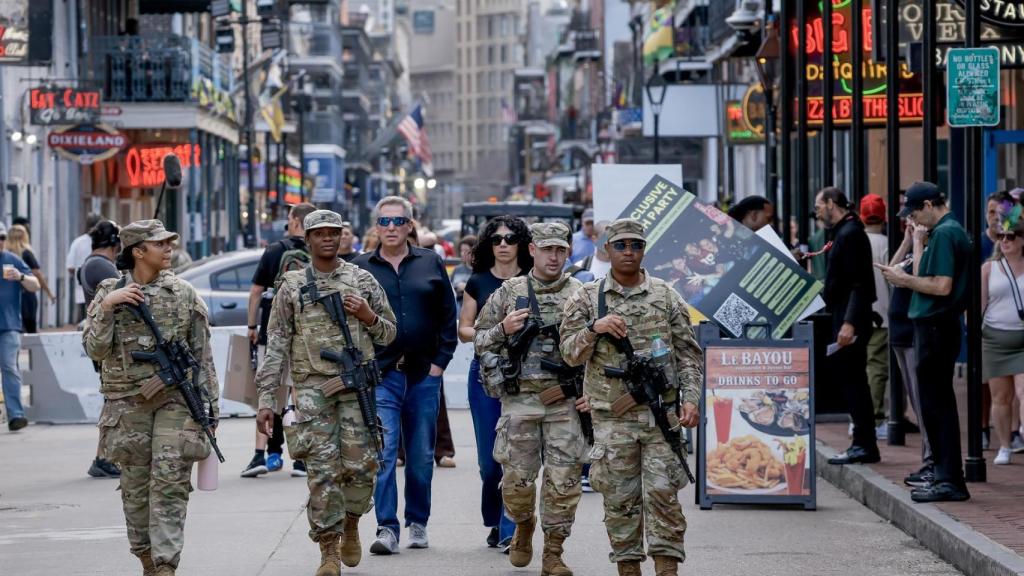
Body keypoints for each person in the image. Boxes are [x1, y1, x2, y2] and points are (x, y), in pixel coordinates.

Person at [256, 209, 396, 576]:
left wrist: (367, 316)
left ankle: (351, 521)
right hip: (312, 390)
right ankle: (329, 549)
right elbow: (276, 345)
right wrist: (267, 400)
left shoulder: (362, 280)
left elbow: (390, 333)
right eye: (320, 233)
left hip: (357, 389)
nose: (329, 238)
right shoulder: (291, 286)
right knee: (321, 472)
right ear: (308, 239)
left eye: (334, 232)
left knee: (362, 468)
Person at [559, 218, 701, 576]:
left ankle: (667, 569)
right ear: (607, 249)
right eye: (621, 245)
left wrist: (691, 399)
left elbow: (688, 353)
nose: (628, 252)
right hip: (612, 419)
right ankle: (628, 568)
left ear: (644, 250)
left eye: (635, 245)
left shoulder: (666, 296)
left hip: (660, 416)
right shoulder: (588, 298)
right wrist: (594, 329)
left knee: (664, 496)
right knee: (621, 501)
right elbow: (570, 354)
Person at [83, 219, 219, 576]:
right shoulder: (109, 292)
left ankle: (165, 564)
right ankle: (146, 557)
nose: (168, 249)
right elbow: (95, 350)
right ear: (138, 251)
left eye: (169, 243)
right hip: (126, 406)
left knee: (171, 483)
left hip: (175, 401)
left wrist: (211, 410)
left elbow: (202, 356)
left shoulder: (184, 293)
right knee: (135, 489)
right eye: (160, 244)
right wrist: (107, 306)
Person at [474, 222, 586, 575]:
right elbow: (479, 340)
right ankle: (523, 523)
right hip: (520, 402)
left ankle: (553, 553)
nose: (554, 257)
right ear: (533, 250)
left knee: (564, 483)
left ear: (568, 252)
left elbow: (599, 352)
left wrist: (591, 394)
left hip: (564, 402)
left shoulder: (582, 294)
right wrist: (502, 329)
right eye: (547, 249)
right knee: (516, 483)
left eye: (560, 250)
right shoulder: (510, 292)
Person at [353, 196, 458, 555]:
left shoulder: (430, 262)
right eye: (384, 221)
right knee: (383, 454)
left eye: (398, 221)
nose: (391, 228)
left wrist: (440, 362)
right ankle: (387, 528)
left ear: (410, 225)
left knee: (420, 456)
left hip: (424, 374)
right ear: (376, 227)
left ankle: (417, 522)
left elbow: (448, 315)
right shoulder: (360, 268)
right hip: (382, 376)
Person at [878, 181, 970, 503]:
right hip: (935, 326)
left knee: (936, 406)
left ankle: (948, 478)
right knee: (934, 405)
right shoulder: (945, 232)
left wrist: (904, 280)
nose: (914, 220)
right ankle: (944, 475)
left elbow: (942, 285)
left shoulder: (945, 233)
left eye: (915, 213)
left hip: (936, 326)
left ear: (929, 205)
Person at [459, 215, 532, 550]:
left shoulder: (532, 280)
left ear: (522, 244)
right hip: (485, 375)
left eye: (511, 238)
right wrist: (498, 330)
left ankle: (509, 528)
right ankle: (494, 520)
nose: (503, 244)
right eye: (497, 239)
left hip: (526, 376)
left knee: (515, 458)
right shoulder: (478, 281)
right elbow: (464, 330)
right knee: (490, 463)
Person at [242, 202, 318, 478]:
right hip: (306, 333)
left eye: (289, 218)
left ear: (296, 221)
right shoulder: (315, 250)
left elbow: (255, 291)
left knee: (270, 391)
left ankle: (259, 455)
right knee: (299, 394)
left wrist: (252, 325)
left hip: (273, 331)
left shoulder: (275, 250)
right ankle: (301, 460)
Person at [815, 188, 880, 466]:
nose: (817, 212)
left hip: (850, 320)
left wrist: (850, 323)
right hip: (844, 316)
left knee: (855, 383)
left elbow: (860, 284)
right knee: (852, 382)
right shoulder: (844, 232)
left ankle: (864, 444)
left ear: (831, 203)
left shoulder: (851, 233)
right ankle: (863, 443)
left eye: (819, 206)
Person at [888, 207, 934, 488]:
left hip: (915, 334)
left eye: (914, 220)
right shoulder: (911, 251)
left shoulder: (927, 253)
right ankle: (928, 459)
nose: (911, 223)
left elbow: (918, 278)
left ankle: (932, 461)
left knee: (924, 402)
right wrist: (907, 241)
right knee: (917, 403)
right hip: (900, 334)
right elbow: (889, 272)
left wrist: (917, 241)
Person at [78, 220, 123, 478]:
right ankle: (103, 457)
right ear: (114, 243)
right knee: (113, 400)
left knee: (112, 399)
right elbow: (123, 290)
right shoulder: (101, 265)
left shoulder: (90, 263)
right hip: (106, 340)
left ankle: (105, 456)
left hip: (100, 338)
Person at [981, 204, 1024, 465]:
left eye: (1011, 236)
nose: (1005, 241)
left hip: (1022, 338)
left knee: (1022, 390)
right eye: (1001, 236)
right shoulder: (989, 268)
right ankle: (1005, 446)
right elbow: (979, 306)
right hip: (995, 339)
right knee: (1000, 397)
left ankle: (1022, 432)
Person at [0, 223, 40, 432]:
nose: (0, 242)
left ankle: (16, 414)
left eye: (2, 238)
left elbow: (35, 285)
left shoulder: (13, 260)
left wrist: (21, 277)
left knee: (9, 367)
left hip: (9, 325)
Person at [860, 194, 891, 439]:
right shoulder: (887, 244)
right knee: (877, 368)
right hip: (882, 312)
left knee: (861, 367)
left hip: (856, 314)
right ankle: (875, 418)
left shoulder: (854, 240)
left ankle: (858, 419)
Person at [7, 224, 53, 333]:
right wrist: (49, 292)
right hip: (27, 295)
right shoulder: (27, 253)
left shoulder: (7, 255)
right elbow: (37, 274)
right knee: (31, 330)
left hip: (11, 297)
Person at [67, 213, 103, 323]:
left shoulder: (78, 242)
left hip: (82, 288)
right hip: (102, 288)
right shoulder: (104, 242)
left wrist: (81, 274)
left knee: (86, 319)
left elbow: (70, 267)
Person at [451, 235, 477, 308]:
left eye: (466, 250)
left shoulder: (481, 271)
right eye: (461, 250)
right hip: (458, 305)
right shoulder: (457, 269)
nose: (462, 253)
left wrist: (466, 287)